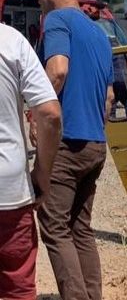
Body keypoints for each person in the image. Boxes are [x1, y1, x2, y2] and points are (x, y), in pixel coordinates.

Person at [33, 0, 114, 300]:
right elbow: (109, 96)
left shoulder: (56, 20)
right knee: (80, 228)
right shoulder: (99, 33)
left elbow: (58, 71)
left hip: (67, 143)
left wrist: (35, 114)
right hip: (96, 143)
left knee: (53, 226)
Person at [0, 23, 61, 299]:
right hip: (9, 192)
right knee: (17, 289)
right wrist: (42, 173)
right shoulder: (11, 41)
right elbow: (49, 113)